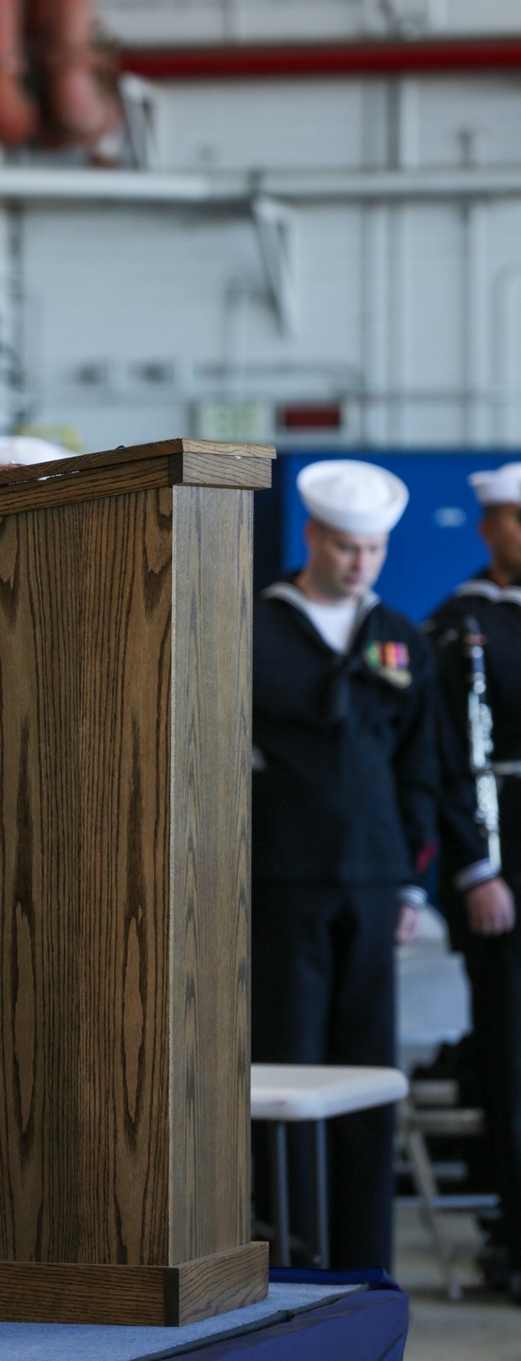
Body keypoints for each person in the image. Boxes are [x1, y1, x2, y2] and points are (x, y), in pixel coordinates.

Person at [251, 459, 438, 1269]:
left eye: (373, 550)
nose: (360, 563)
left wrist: (409, 877)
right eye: (346, 548)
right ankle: (293, 1256)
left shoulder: (397, 632)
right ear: (312, 538)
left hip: (371, 875)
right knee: (288, 1072)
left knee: (367, 1077)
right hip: (283, 876)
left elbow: (421, 761)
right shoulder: (257, 625)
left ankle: (365, 1262)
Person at [426, 461, 521, 1301]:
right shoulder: (461, 623)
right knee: (513, 1051)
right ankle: (514, 1230)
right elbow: (448, 756)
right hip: (502, 857)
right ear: (489, 526)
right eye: (515, 519)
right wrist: (475, 867)